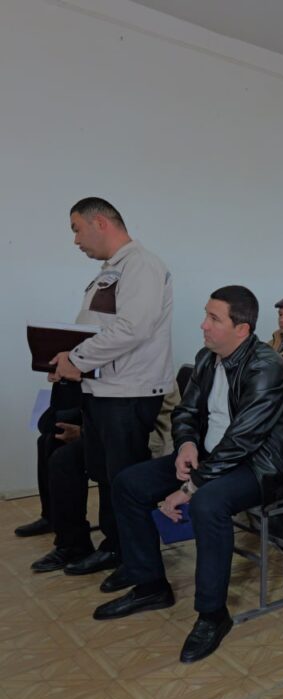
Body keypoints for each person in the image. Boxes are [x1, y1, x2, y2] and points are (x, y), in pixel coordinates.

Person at [92, 286, 283, 665]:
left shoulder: (267, 367)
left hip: (259, 466)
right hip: (210, 456)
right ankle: (150, 584)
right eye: (206, 315)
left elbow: (243, 440)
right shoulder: (208, 357)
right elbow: (185, 412)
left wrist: (190, 486)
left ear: (242, 329)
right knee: (128, 484)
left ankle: (212, 614)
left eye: (213, 318)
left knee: (207, 504)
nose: (203, 325)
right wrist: (187, 445)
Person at [49, 197, 174, 579]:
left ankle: (136, 563)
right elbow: (97, 329)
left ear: (100, 222)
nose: (75, 240)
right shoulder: (112, 270)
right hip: (103, 389)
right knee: (107, 476)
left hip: (129, 393)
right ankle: (115, 548)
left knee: (124, 480)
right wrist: (68, 358)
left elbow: (133, 328)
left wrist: (77, 358)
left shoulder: (142, 265)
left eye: (77, 229)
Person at [30, 387, 179, 575]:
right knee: (58, 450)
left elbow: (133, 420)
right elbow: (50, 420)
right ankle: (70, 541)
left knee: (103, 461)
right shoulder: (93, 378)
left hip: (145, 437)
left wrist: (83, 432)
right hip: (107, 429)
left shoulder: (140, 377)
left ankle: (114, 548)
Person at [13, 380, 83, 538]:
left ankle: (68, 531)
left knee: (58, 447)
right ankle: (50, 516)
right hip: (71, 388)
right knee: (45, 440)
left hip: (93, 392)